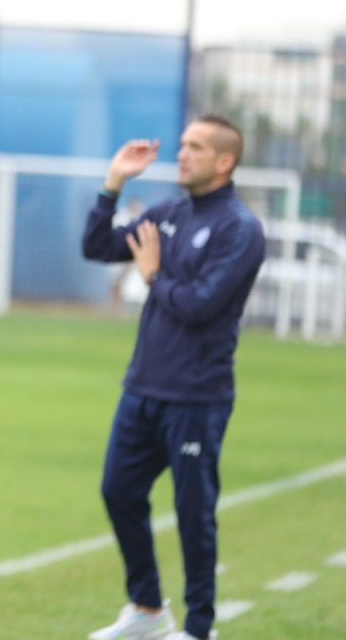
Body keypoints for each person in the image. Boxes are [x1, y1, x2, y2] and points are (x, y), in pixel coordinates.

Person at [82, 116, 267, 640]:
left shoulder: (239, 229)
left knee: (192, 513)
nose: (182, 154)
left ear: (224, 161)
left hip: (196, 398)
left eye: (195, 147)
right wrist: (113, 183)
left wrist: (152, 275)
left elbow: (200, 305)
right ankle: (147, 609)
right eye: (182, 144)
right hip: (142, 388)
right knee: (118, 492)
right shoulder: (168, 213)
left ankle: (199, 629)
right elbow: (97, 247)